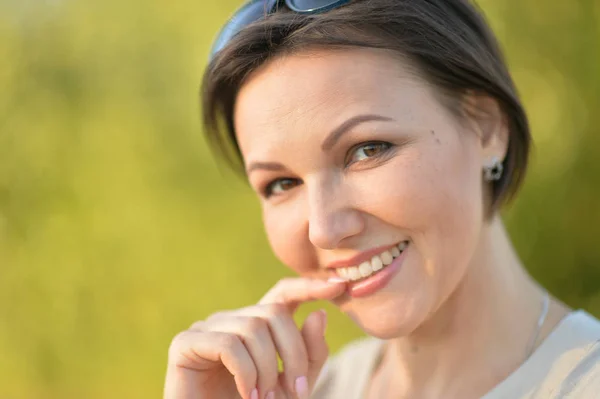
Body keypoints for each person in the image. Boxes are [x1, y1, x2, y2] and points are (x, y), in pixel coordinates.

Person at [164, 1, 600, 398]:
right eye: (282, 184)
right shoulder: (315, 390)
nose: (324, 229)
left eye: (367, 150)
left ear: (486, 128)